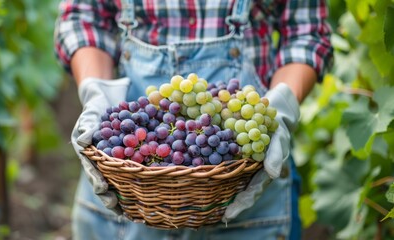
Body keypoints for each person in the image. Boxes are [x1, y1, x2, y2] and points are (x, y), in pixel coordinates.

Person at [54, 0, 333, 239]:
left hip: (246, 177)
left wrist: (281, 106)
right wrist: (96, 92)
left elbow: (306, 33)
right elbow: (82, 17)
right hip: (127, 186)